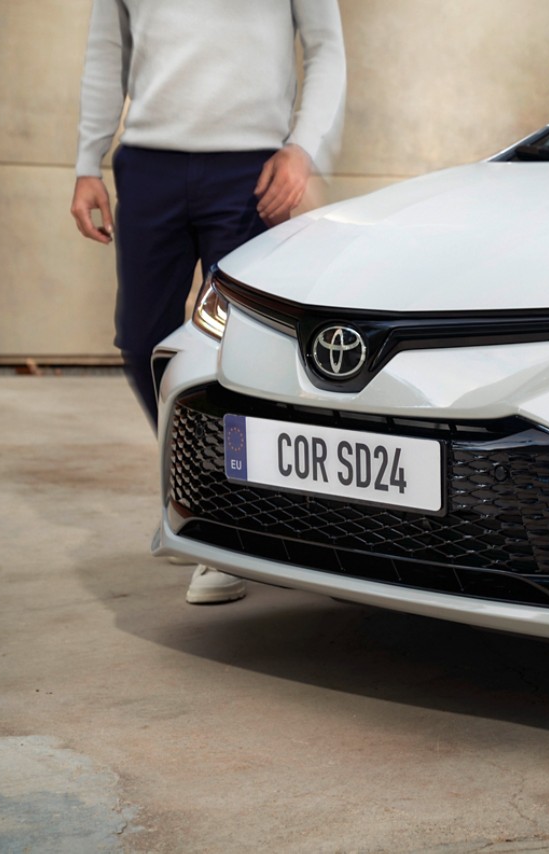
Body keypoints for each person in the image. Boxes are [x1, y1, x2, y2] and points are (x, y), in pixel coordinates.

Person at [70, 0, 346, 604]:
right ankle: (203, 495)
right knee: (141, 342)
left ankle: (227, 528)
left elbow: (327, 48)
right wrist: (87, 162)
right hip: (148, 167)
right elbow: (106, 52)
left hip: (251, 170)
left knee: (237, 354)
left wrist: (302, 148)